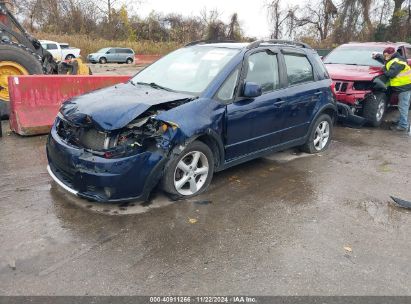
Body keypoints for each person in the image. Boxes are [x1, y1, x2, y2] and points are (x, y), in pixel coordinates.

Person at [373, 47, 411, 131]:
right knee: (402, 106)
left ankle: (403, 126)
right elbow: (386, 60)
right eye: (384, 56)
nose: (385, 58)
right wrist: (377, 56)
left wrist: (383, 68)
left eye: (387, 56)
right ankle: (401, 121)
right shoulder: (394, 58)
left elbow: (390, 74)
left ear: (391, 54)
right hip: (402, 86)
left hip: (405, 87)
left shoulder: (398, 62)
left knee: (403, 106)